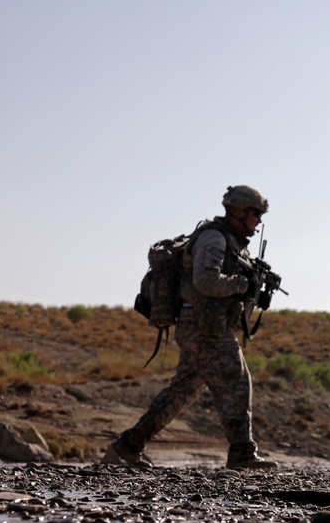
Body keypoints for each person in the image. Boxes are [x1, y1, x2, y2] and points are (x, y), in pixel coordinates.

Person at [102, 185, 277, 470]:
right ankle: (242, 452)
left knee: (182, 391)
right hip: (205, 328)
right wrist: (244, 284)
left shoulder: (231, 242)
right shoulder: (213, 238)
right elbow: (206, 281)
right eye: (255, 213)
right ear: (237, 210)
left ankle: (127, 447)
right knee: (235, 380)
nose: (258, 221)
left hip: (204, 326)